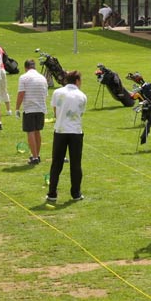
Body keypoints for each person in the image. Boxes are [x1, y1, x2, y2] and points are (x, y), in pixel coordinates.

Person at [46, 70, 87, 203]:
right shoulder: (82, 96)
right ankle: (76, 193)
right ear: (77, 81)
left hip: (60, 131)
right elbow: (80, 114)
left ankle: (52, 193)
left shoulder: (58, 92)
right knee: (75, 164)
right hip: (75, 132)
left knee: (56, 163)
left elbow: (55, 110)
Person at [16, 59, 48, 165]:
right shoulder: (42, 78)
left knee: (30, 132)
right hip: (41, 108)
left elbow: (21, 94)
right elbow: (45, 94)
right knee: (37, 131)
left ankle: (34, 157)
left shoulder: (24, 77)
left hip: (29, 108)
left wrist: (17, 108)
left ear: (26, 67)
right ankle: (37, 155)